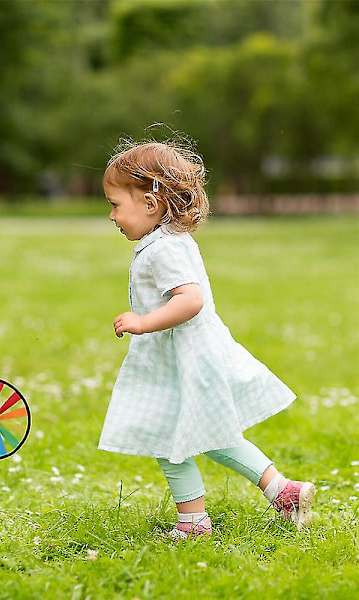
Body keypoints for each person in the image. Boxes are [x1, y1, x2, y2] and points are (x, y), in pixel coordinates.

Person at [97, 139, 315, 539]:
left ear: (150, 204)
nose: (111, 215)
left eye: (114, 204)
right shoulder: (167, 242)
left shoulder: (163, 250)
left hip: (183, 359)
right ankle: (283, 491)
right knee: (213, 435)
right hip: (185, 356)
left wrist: (145, 322)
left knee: (167, 435)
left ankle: (194, 524)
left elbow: (191, 300)